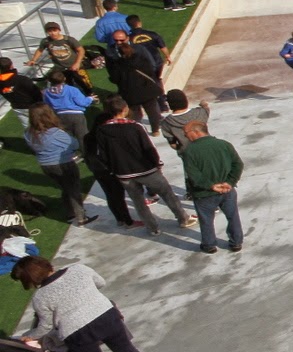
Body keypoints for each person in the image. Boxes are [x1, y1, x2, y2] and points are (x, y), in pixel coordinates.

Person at [11, 257, 163, 352]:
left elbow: (46, 326)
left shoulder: (40, 297)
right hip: (106, 317)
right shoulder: (79, 269)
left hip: (77, 333)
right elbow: (100, 283)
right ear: (47, 264)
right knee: (127, 350)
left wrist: (30, 335)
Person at [95, 95, 193, 235]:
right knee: (167, 193)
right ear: (125, 109)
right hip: (146, 170)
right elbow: (148, 148)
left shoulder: (102, 130)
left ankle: (152, 228)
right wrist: (157, 164)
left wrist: (114, 170)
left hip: (124, 174)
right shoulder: (135, 126)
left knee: (138, 201)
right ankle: (183, 218)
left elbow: (103, 155)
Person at [181, 121, 244, 254]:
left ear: (196, 132)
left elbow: (193, 175)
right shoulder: (224, 145)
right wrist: (230, 182)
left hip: (203, 194)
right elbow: (237, 164)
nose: (185, 136)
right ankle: (236, 242)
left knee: (206, 221)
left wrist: (211, 186)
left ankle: (209, 245)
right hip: (228, 191)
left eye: (186, 133)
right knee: (233, 216)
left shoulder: (189, 152)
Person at [23, 106, 92, 226]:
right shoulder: (55, 133)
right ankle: (81, 217)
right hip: (63, 164)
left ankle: (71, 214)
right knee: (73, 189)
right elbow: (74, 144)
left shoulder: (28, 133)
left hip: (46, 166)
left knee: (65, 187)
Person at [28, 24, 87, 91]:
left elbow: (81, 50)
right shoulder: (46, 41)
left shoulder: (69, 40)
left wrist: (77, 63)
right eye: (50, 31)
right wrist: (33, 60)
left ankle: (92, 95)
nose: (52, 33)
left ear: (59, 30)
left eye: (54, 30)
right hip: (61, 68)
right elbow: (40, 50)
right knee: (68, 85)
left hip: (75, 66)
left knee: (85, 83)